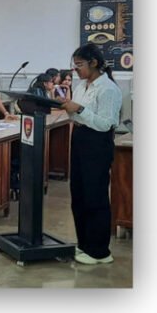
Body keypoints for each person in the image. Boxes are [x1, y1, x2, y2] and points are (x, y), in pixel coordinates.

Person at [59, 43, 122, 265]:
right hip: (80, 139)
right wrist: (69, 108)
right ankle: (84, 244)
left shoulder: (109, 89)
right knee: (79, 194)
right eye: (74, 66)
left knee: (95, 195)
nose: (76, 70)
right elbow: (77, 117)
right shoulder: (81, 86)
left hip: (97, 143)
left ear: (93, 63)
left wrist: (80, 110)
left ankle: (100, 250)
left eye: (79, 65)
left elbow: (106, 124)